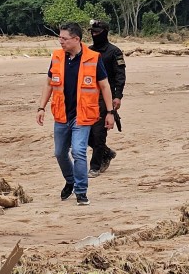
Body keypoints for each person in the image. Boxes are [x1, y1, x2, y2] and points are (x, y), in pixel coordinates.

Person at [36, 22, 115, 206]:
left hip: (83, 115)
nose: (60, 42)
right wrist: (41, 107)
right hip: (61, 114)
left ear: (76, 39)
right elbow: (49, 84)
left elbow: (104, 86)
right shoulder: (56, 57)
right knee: (59, 153)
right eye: (59, 38)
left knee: (79, 151)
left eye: (64, 38)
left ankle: (81, 191)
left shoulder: (94, 58)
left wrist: (110, 112)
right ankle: (70, 180)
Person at [87, 19, 126, 177]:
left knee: (98, 133)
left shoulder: (114, 51)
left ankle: (95, 166)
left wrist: (118, 96)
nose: (95, 35)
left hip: (106, 97)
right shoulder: (88, 51)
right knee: (84, 132)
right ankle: (106, 152)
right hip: (88, 96)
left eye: (97, 32)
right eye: (93, 32)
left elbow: (120, 75)